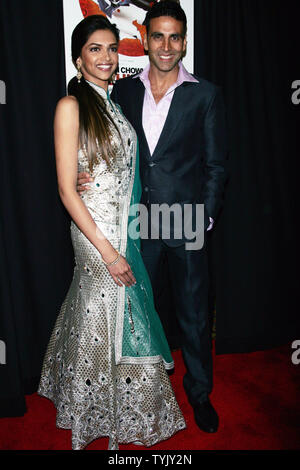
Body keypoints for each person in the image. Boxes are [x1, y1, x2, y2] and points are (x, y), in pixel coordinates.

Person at [78, 1, 227, 434]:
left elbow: (217, 167)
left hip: (186, 222)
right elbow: (100, 136)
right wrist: (81, 169)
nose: (166, 46)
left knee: (194, 315)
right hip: (137, 221)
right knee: (140, 311)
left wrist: (206, 218)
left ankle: (199, 393)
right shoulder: (123, 91)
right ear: (143, 39)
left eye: (174, 37)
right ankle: (142, 390)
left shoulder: (205, 94)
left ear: (184, 41)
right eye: (157, 36)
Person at [38, 14, 186, 451]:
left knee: (104, 317)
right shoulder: (71, 106)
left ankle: (98, 403)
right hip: (95, 234)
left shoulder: (114, 106)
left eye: (110, 48)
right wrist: (107, 251)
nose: (105, 57)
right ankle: (101, 411)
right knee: (112, 315)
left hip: (125, 229)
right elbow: (67, 189)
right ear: (77, 58)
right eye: (94, 49)